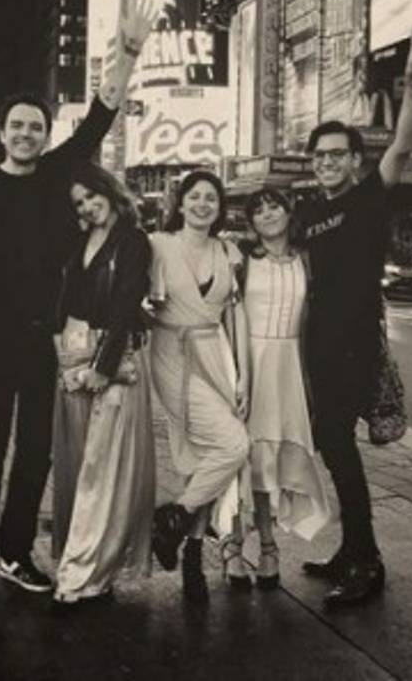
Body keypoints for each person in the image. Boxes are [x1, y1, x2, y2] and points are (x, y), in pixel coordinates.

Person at [0, 0, 159, 620]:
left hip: (45, 341)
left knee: (36, 451)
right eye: (17, 126)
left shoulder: (57, 172)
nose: (25, 134)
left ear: (45, 137)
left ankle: (15, 552)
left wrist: (128, 49)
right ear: (1, 132)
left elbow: (102, 113)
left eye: (35, 128)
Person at [299, 26, 412, 609]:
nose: (328, 162)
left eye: (338, 155)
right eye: (320, 155)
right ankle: (351, 550)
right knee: (332, 450)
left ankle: (367, 560)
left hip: (352, 348)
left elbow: (403, 146)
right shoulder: (307, 212)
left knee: (340, 448)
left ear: (355, 161)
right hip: (312, 349)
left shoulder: (368, 198)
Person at [50, 163, 154, 610]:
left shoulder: (133, 241)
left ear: (109, 192)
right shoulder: (77, 240)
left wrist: (104, 365)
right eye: (79, 202)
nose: (89, 206)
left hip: (109, 363)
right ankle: (96, 572)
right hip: (70, 359)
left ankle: (77, 578)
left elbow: (127, 303)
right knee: (78, 467)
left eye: (93, 196)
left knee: (102, 469)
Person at [148, 170, 251, 604]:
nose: (203, 204)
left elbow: (236, 316)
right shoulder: (157, 245)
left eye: (211, 197)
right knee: (232, 444)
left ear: (219, 206)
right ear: (182, 202)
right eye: (195, 196)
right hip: (171, 352)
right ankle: (175, 517)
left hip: (217, 354)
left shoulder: (230, 252)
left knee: (205, 459)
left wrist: (243, 371)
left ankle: (190, 552)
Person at [226, 187, 331, 590]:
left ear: (289, 212)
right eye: (259, 210)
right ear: (250, 222)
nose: (267, 214)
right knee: (244, 459)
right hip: (247, 363)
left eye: (274, 207)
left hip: (289, 367)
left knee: (277, 462)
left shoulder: (307, 259)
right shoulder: (241, 260)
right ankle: (235, 546)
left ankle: (269, 546)